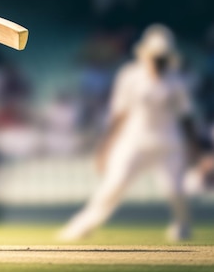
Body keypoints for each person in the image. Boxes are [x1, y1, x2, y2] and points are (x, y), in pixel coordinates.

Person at [58, 24, 198, 242]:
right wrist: (106, 148)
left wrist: (194, 148)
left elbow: (186, 117)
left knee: (175, 190)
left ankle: (182, 226)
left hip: (168, 143)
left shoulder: (176, 80)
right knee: (113, 186)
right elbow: (119, 115)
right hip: (134, 141)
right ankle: (82, 226)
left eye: (162, 58)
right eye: (155, 57)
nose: (158, 62)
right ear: (146, 55)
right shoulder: (130, 75)